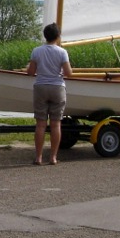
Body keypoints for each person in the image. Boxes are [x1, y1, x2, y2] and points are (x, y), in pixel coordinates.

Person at [26, 22, 73, 166]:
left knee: (40, 125)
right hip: (57, 88)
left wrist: (28, 68)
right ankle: (53, 157)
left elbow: (31, 72)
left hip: (41, 87)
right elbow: (68, 73)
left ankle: (38, 157)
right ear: (58, 36)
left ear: (45, 36)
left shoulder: (36, 51)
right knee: (55, 124)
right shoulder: (62, 52)